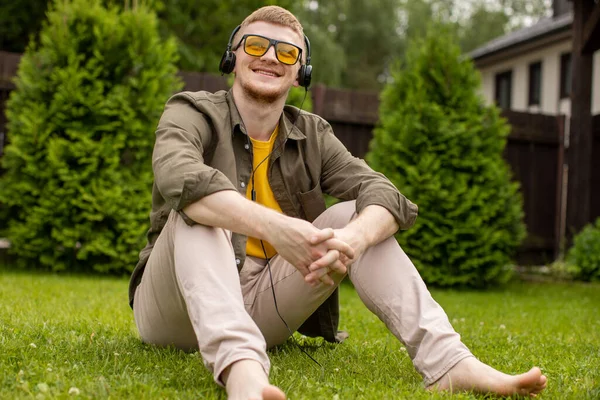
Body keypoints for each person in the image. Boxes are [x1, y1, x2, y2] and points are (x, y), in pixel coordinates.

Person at [128, 6, 547, 400]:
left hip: (265, 305)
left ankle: (450, 362)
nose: (270, 57)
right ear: (233, 57)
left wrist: (355, 239)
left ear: (300, 74)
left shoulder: (313, 134)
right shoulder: (189, 111)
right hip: (174, 309)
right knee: (197, 212)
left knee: (356, 215)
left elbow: (385, 194)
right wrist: (275, 228)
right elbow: (179, 177)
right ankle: (242, 371)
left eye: (287, 52)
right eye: (256, 45)